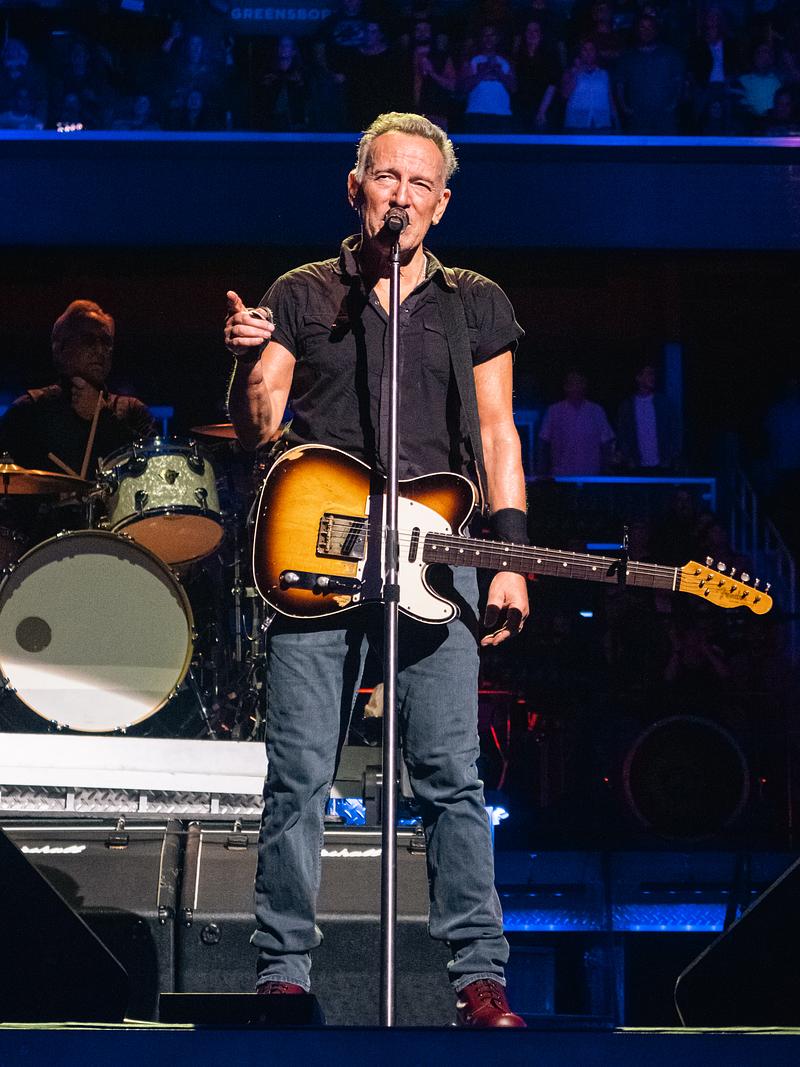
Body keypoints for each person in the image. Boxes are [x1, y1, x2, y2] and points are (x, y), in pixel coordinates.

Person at [225, 111, 529, 1027]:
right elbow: (260, 426)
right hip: (316, 553)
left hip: (437, 555)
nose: (402, 195)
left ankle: (479, 978)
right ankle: (283, 971)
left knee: (450, 772)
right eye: (387, 177)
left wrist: (509, 559)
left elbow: (498, 434)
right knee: (299, 769)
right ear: (355, 186)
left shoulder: (474, 302)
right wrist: (247, 365)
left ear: (442, 203)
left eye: (419, 183)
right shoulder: (304, 292)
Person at [0, 299, 154, 477]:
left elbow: (153, 473)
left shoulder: (133, 411)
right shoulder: (28, 411)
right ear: (60, 349)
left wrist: (102, 417)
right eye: (88, 340)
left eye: (106, 342)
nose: (100, 350)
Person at [537, 369, 615, 475]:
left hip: (591, 474)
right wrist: (542, 469)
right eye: (572, 383)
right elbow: (543, 442)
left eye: (579, 383)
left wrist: (606, 468)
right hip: (561, 474)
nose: (576, 387)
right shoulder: (554, 411)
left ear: (585, 385)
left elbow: (606, 442)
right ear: (565, 387)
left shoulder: (596, 411)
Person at [615, 361, 680, 473]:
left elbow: (675, 430)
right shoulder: (627, 406)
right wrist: (628, 457)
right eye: (649, 374)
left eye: (653, 374)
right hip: (636, 466)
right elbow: (622, 433)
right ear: (638, 378)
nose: (652, 377)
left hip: (663, 465)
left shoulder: (664, 404)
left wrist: (672, 456)